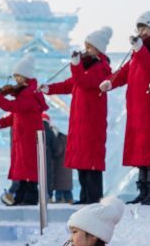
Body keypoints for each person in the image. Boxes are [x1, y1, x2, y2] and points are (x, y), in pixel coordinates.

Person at [101, 8, 150, 205]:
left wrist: (140, 50)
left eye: (145, 29)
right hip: (137, 109)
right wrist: (111, 82)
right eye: (140, 28)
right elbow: (125, 72)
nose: (142, 33)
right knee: (139, 148)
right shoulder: (138, 54)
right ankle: (143, 188)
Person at [42, 26, 113, 204]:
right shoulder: (86, 68)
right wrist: (49, 89)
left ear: (98, 50)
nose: (85, 51)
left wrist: (76, 66)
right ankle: (84, 196)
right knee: (82, 163)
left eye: (89, 47)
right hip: (80, 123)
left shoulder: (101, 69)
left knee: (92, 164)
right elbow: (69, 84)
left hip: (91, 122)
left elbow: (82, 81)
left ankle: (93, 197)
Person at [0, 54, 49, 206]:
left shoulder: (29, 94)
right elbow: (15, 115)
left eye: (18, 77)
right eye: (15, 77)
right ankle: (20, 197)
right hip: (22, 137)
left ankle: (30, 197)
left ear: (27, 76)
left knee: (29, 169)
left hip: (29, 137)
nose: (16, 80)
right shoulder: (24, 93)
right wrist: (0, 123)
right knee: (23, 171)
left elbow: (13, 107)